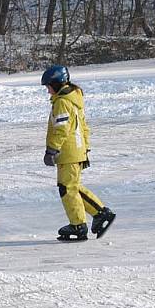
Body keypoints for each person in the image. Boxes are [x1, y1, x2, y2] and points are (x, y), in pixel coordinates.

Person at [41, 65, 116, 241]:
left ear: (57, 83)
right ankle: (96, 215)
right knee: (70, 187)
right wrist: (85, 149)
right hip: (75, 150)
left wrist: (52, 149)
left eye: (48, 87)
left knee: (67, 188)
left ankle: (82, 223)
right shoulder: (72, 99)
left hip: (68, 151)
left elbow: (61, 129)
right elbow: (83, 126)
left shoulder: (62, 102)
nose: (48, 91)